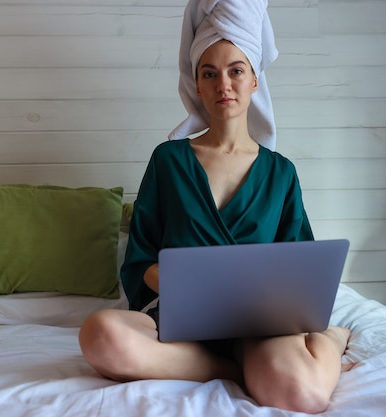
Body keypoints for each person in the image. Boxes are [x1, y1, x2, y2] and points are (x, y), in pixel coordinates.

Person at [79, 1, 351, 413]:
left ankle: (331, 338)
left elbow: (300, 269)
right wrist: (185, 283)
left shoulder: (280, 173)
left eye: (236, 70)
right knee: (100, 334)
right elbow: (140, 260)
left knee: (301, 394)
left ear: (255, 80)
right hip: (182, 324)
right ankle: (230, 368)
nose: (224, 84)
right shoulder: (169, 161)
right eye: (210, 73)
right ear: (197, 84)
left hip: (260, 327)